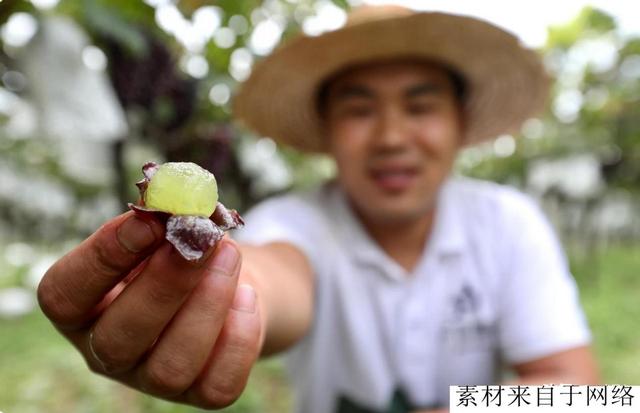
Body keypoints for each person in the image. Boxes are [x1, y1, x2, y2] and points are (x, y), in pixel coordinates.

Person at [37, 5, 599, 413]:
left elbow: (589, 395)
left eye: (421, 106)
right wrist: (210, 295)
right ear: (329, 131)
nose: (392, 137)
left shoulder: (509, 223)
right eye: (359, 110)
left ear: (459, 124)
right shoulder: (296, 222)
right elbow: (268, 276)